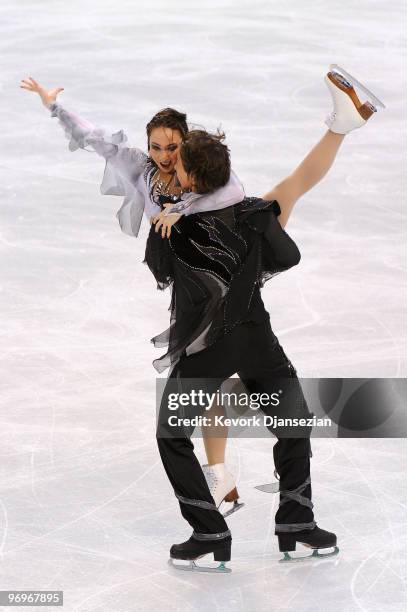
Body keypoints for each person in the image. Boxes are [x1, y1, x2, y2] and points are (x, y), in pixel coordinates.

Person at [148, 65, 385, 571]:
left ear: (190, 178)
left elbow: (159, 271)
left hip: (207, 351)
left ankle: (209, 531)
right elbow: (286, 256)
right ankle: (297, 526)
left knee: (172, 435)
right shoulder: (255, 215)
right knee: (293, 424)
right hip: (257, 341)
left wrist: (169, 215)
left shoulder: (177, 229)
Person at [19, 76, 245, 514]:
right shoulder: (142, 169)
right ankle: (221, 474)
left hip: (217, 279)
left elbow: (234, 190)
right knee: (204, 375)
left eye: (172, 148)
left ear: (186, 144)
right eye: (157, 147)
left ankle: (222, 470)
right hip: (186, 284)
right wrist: (54, 107)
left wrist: (181, 209)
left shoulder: (204, 171)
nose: (164, 157)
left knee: (205, 375)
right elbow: (94, 139)